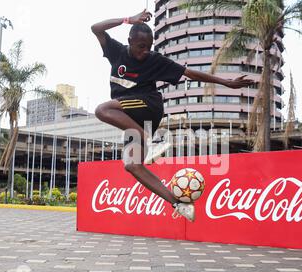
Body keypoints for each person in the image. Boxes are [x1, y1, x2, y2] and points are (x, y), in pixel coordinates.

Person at [91, 9, 254, 222]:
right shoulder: (116, 51)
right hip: (131, 117)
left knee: (102, 110)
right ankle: (179, 204)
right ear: (130, 41)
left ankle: (151, 140)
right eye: (141, 47)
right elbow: (96, 28)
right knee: (132, 165)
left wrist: (226, 83)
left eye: (148, 47)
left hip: (148, 105)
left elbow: (189, 73)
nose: (145, 52)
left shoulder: (154, 60)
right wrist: (127, 20)